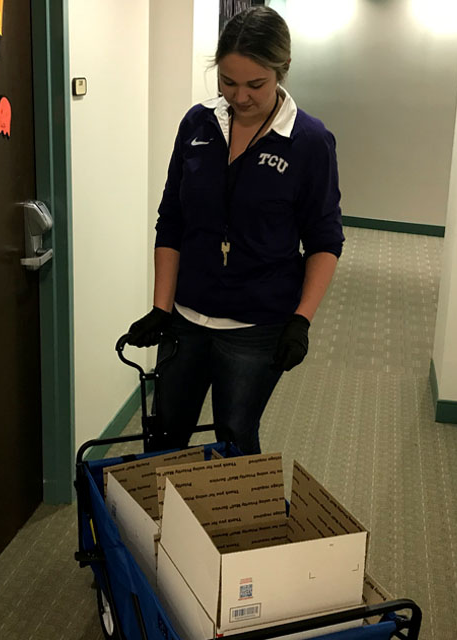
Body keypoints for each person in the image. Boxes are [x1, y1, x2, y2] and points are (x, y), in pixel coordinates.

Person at [126, 6, 344, 455]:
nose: (239, 97)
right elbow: (172, 221)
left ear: (281, 71)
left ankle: (231, 527)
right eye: (227, 81)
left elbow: (324, 240)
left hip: (257, 325)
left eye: (255, 84)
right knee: (165, 433)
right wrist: (160, 308)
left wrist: (301, 320)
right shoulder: (197, 124)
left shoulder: (310, 142)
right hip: (186, 317)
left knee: (236, 437)